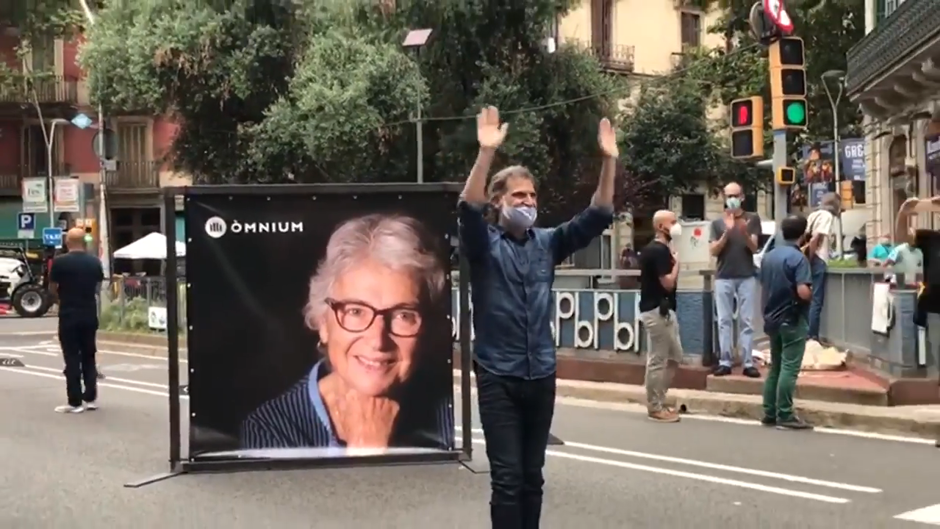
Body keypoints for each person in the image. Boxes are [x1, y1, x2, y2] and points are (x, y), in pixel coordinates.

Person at [458, 106, 615, 529]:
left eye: (532, 196)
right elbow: (468, 209)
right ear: (499, 202)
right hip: (498, 375)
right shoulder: (484, 245)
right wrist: (486, 152)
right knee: (507, 480)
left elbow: (597, 215)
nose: (528, 203)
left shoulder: (547, 243)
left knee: (533, 479)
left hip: (540, 374)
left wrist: (609, 161)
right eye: (518, 196)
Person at [240, 214, 453, 450]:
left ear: (428, 328)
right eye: (355, 311)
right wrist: (367, 450)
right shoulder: (271, 426)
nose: (377, 340)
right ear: (322, 322)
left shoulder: (446, 417)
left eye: (403, 315)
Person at [759, 215, 813, 430]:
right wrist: (810, 294)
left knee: (776, 367)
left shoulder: (769, 257)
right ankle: (785, 413)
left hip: (772, 317)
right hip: (792, 318)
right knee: (789, 368)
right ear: (803, 234)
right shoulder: (799, 259)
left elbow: (764, 284)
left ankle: (769, 412)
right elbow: (803, 291)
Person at [49, 227, 105, 414]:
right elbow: (98, 287)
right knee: (89, 355)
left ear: (67, 242)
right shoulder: (94, 262)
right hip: (89, 313)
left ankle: (75, 401)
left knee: (72, 357)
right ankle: (90, 397)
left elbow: (52, 287)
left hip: (68, 313)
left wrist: (61, 299)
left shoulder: (59, 262)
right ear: (85, 242)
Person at [709, 182, 762, 378]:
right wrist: (726, 232)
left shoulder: (752, 219)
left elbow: (754, 248)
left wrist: (743, 231)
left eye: (735, 195)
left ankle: (748, 363)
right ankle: (725, 361)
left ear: (742, 197)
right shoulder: (717, 223)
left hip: (746, 275)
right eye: (728, 195)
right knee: (724, 321)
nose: (731, 199)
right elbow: (713, 250)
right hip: (723, 276)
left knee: (746, 321)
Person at [638, 209, 683, 423]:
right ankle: (655, 406)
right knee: (658, 359)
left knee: (675, 356)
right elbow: (667, 283)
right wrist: (677, 266)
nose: (676, 225)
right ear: (660, 226)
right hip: (656, 310)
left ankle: (659, 400)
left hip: (663, 310)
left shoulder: (662, 250)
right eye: (672, 222)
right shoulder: (657, 251)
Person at [894, 197, 940, 376]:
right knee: (937, 345)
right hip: (935, 302)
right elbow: (902, 237)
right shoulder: (930, 238)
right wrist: (903, 213)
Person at [803, 192, 839, 342]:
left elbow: (806, 236)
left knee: (808, 299)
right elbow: (816, 238)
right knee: (816, 300)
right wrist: (811, 257)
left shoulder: (813, 215)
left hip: (810, 257)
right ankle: (812, 336)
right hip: (818, 258)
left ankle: (806, 333)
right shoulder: (826, 216)